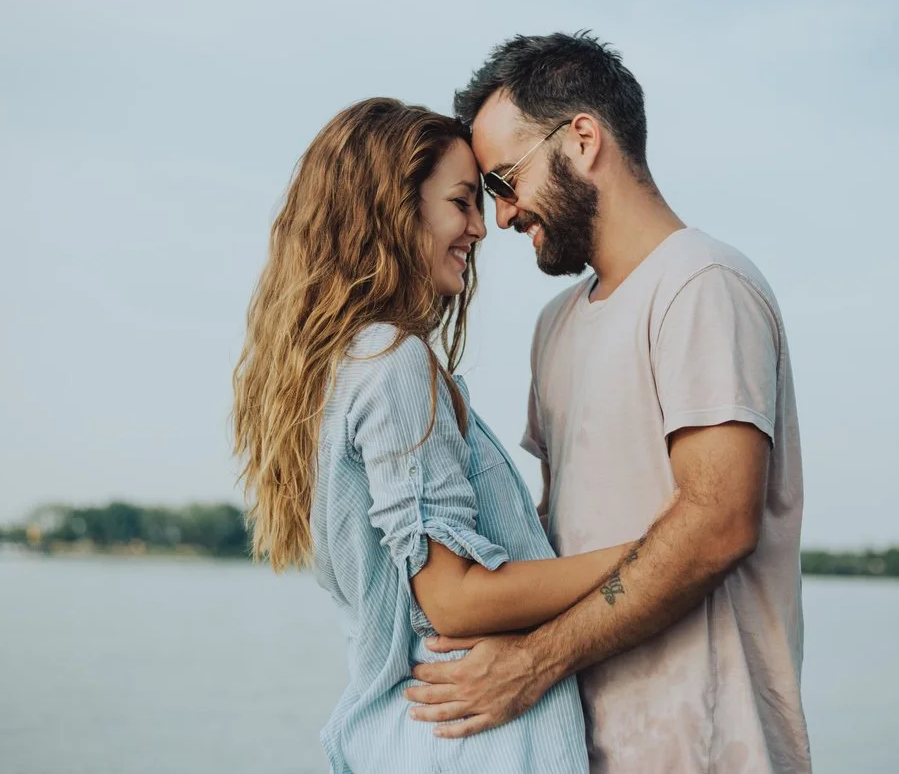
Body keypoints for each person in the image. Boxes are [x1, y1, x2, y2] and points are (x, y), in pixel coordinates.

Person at [403, 33, 812, 773]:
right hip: (578, 749)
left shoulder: (702, 285)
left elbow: (718, 526)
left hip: (713, 750)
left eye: (504, 181)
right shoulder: (554, 327)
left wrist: (533, 663)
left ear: (583, 139)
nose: (501, 217)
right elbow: (556, 539)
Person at [231, 97, 642, 774]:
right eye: (462, 202)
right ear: (394, 209)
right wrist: (646, 553)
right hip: (472, 745)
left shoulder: (340, 368)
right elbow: (451, 599)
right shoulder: (390, 361)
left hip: (411, 738)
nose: (481, 229)